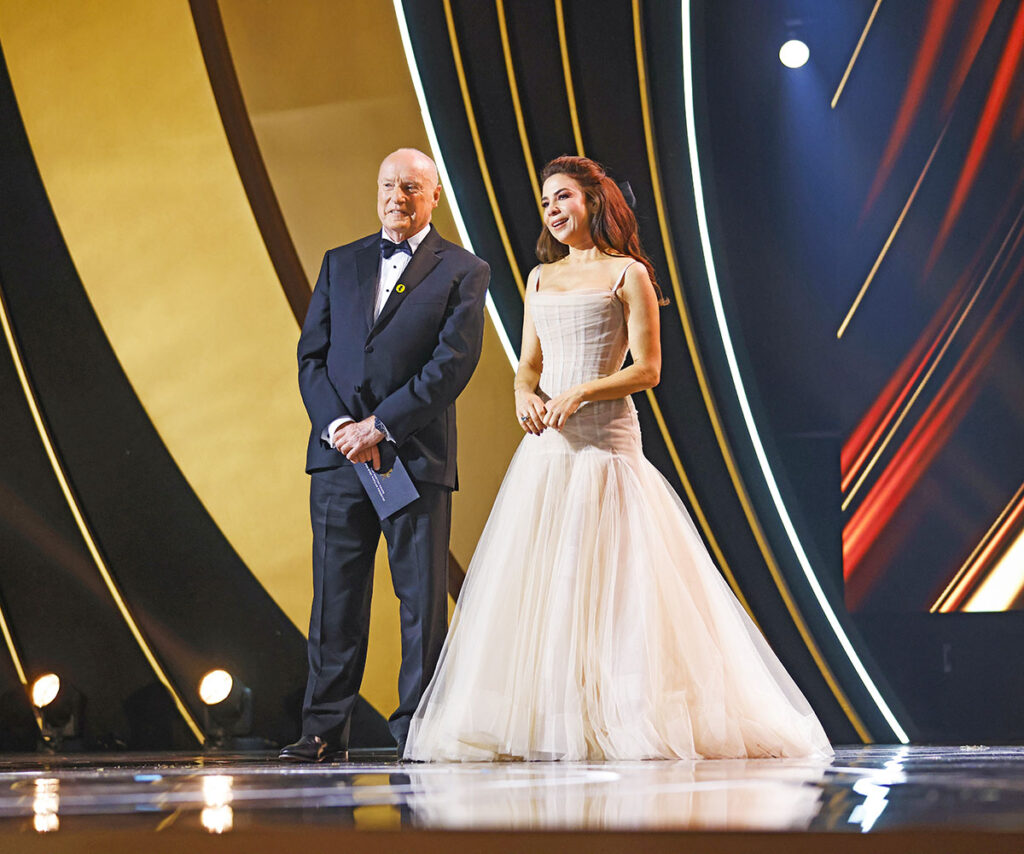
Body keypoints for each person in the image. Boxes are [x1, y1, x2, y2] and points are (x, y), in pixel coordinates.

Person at [405, 156, 833, 761]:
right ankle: (555, 719)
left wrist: (580, 390)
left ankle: (621, 712)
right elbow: (529, 363)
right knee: (548, 589)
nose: (553, 212)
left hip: (607, 451)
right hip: (549, 456)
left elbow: (649, 369)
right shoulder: (538, 278)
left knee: (616, 590)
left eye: (564, 199)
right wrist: (525, 393)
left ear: (594, 203)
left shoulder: (628, 274)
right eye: (546, 203)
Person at [281, 148, 490, 762]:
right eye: (388, 185)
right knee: (335, 601)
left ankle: (417, 734)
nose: (397, 196)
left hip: (411, 459)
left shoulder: (463, 270)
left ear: (434, 196)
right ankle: (322, 731)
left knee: (420, 606)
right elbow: (310, 359)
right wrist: (343, 426)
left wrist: (381, 425)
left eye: (411, 187)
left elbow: (451, 366)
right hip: (341, 460)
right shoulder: (339, 262)